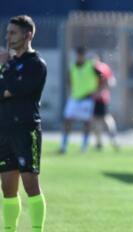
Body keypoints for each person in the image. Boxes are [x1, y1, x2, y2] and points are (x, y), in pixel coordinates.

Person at [0, 15, 47, 232]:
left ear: (28, 35)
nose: (8, 37)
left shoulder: (36, 64)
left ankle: (36, 229)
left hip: (26, 130)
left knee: (31, 186)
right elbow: (4, 91)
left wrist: (6, 67)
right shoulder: (8, 65)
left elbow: (16, 90)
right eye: (7, 32)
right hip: (4, 131)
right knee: (7, 188)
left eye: (13, 33)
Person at [59, 46, 98, 154]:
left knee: (86, 123)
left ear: (84, 55)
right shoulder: (72, 66)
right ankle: (64, 145)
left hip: (87, 99)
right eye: (78, 54)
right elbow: (69, 79)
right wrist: (71, 90)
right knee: (67, 121)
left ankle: (84, 146)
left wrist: (97, 91)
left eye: (81, 54)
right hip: (74, 98)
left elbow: (102, 77)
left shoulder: (91, 66)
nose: (80, 57)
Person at [92, 55, 120, 151]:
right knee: (97, 120)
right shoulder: (102, 67)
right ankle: (100, 142)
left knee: (104, 119)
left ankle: (112, 141)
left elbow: (109, 81)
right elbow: (112, 81)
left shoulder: (100, 67)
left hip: (100, 98)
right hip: (97, 97)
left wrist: (101, 91)